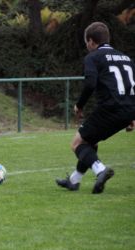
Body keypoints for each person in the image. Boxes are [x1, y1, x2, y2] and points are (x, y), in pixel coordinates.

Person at [56, 22, 135, 194]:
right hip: (128, 109)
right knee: (90, 141)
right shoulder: (126, 58)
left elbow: (90, 83)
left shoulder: (93, 57)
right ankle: (74, 181)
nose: (87, 46)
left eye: (86, 42)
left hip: (111, 108)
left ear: (91, 41)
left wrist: (79, 105)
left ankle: (100, 170)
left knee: (77, 143)